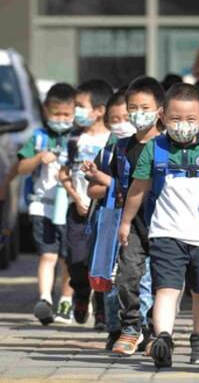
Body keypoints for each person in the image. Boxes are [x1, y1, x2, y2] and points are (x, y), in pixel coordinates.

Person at [118, 83, 199, 368]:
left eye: (189, 119)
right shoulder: (154, 148)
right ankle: (163, 338)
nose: (182, 125)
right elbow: (138, 188)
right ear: (162, 116)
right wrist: (125, 222)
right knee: (167, 288)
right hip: (165, 232)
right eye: (175, 119)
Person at [84, 77, 164, 355]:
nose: (138, 113)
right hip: (130, 223)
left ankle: (157, 331)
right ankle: (131, 327)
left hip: (165, 223)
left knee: (160, 280)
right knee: (127, 276)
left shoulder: (168, 146)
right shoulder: (120, 147)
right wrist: (97, 177)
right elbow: (114, 185)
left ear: (160, 110)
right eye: (134, 107)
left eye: (146, 107)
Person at [16, 83, 76, 326]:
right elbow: (21, 168)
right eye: (55, 114)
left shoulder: (78, 137)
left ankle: (67, 301)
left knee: (68, 259)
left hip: (71, 207)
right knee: (47, 255)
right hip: (43, 206)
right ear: (45, 111)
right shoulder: (39, 137)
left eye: (66, 115)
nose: (61, 119)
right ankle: (44, 299)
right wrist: (38, 158)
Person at [58, 79, 112, 325]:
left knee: (100, 260)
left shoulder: (112, 140)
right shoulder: (73, 139)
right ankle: (81, 292)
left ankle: (101, 309)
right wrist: (75, 195)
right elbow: (63, 174)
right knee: (76, 258)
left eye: (81, 105)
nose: (77, 110)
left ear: (100, 110)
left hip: (103, 210)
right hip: (77, 209)